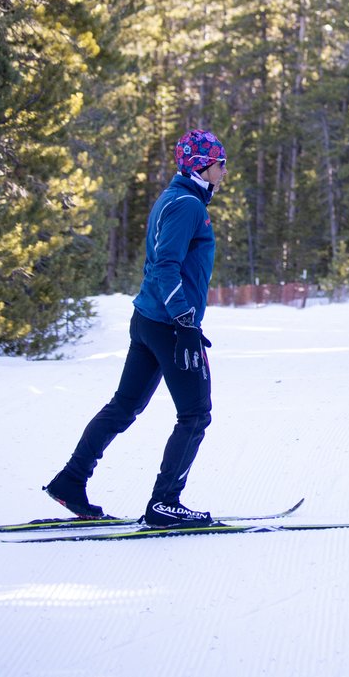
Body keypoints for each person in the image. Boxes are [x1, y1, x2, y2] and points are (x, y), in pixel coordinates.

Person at [44, 129, 228, 528]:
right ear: (200, 166)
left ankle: (70, 480)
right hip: (168, 325)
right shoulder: (188, 206)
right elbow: (166, 266)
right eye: (219, 163)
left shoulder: (173, 197)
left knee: (124, 406)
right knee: (196, 414)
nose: (223, 170)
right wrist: (183, 319)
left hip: (148, 321)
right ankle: (165, 503)